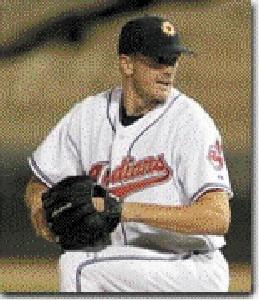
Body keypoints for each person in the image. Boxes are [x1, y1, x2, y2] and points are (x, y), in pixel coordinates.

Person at [25, 15, 232, 292]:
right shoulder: (89, 115)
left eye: (173, 60)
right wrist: (40, 212)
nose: (168, 70)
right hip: (128, 263)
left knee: (78, 267)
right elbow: (39, 182)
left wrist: (123, 210)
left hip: (189, 267)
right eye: (158, 60)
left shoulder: (191, 122)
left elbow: (217, 217)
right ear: (127, 64)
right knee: (86, 264)